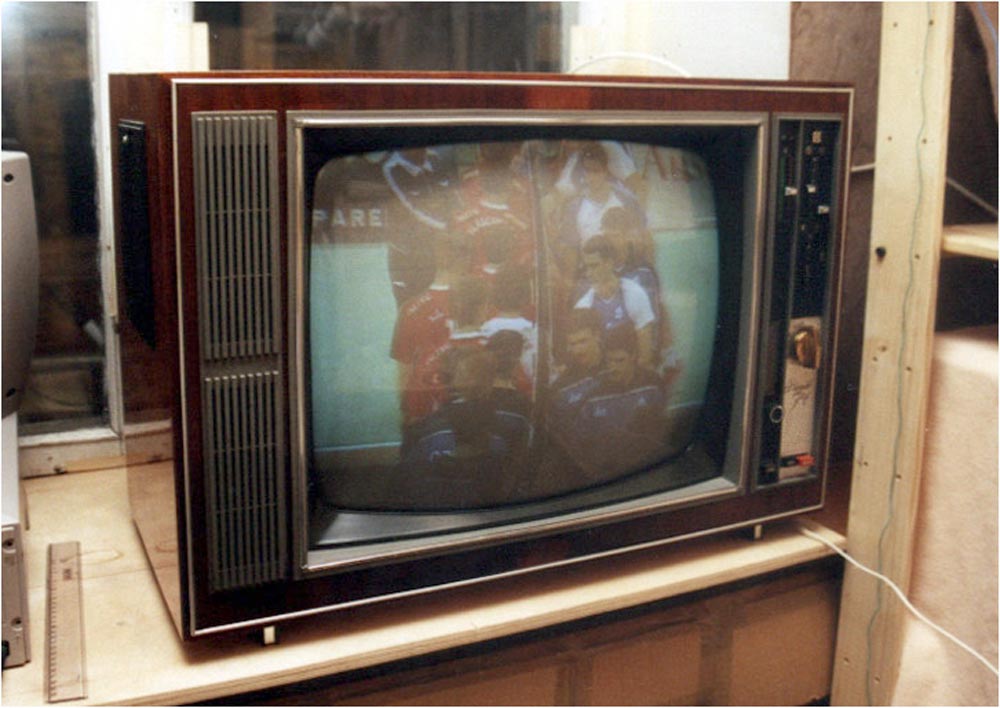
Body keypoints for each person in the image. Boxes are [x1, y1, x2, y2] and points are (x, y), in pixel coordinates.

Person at [575, 324, 668, 477]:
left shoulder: (653, 384)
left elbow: (664, 426)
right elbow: (580, 442)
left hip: (649, 467)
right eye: (609, 361)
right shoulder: (592, 397)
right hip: (606, 472)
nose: (613, 367)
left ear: (633, 357)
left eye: (619, 361)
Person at [573, 235, 656, 370]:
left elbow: (645, 355)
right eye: (587, 267)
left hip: (632, 373)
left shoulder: (634, 294)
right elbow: (585, 358)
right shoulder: (583, 305)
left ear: (609, 263)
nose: (589, 273)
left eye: (594, 266)